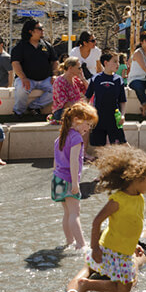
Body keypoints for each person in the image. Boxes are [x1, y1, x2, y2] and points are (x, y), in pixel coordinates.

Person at [79, 145, 146, 292]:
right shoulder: (118, 200)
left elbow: (130, 225)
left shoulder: (139, 198)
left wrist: (135, 244)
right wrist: (94, 247)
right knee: (124, 286)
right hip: (112, 249)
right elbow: (97, 221)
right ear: (136, 179)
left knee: (124, 286)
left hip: (124, 250)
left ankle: (89, 286)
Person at [53, 103, 98, 249]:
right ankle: (81, 244)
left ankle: (69, 241)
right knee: (74, 213)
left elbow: (55, 161)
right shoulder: (76, 138)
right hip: (68, 179)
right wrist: (75, 183)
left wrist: (55, 177)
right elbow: (73, 161)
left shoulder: (61, 136)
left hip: (58, 179)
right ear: (76, 120)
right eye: (88, 124)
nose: (88, 128)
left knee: (67, 213)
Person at [10, 19, 58, 116]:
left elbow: (55, 61)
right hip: (26, 79)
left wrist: (54, 75)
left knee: (58, 89)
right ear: (31, 31)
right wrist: (23, 78)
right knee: (21, 90)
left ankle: (34, 106)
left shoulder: (47, 45)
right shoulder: (20, 46)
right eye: (40, 28)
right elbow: (15, 63)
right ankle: (18, 112)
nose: (42, 30)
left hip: (45, 79)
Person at [87, 52, 128, 146]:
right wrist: (87, 114)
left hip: (114, 118)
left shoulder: (119, 80)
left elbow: (122, 101)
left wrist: (122, 115)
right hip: (98, 118)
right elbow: (87, 97)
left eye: (118, 62)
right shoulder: (96, 78)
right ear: (106, 63)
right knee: (98, 146)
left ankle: (133, 155)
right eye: (115, 61)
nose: (118, 64)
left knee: (122, 143)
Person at [51, 57, 89, 122]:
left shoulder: (76, 80)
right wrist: (81, 106)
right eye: (79, 68)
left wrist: (83, 79)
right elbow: (65, 104)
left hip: (76, 108)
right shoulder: (59, 81)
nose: (81, 70)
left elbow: (89, 91)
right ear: (70, 68)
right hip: (62, 111)